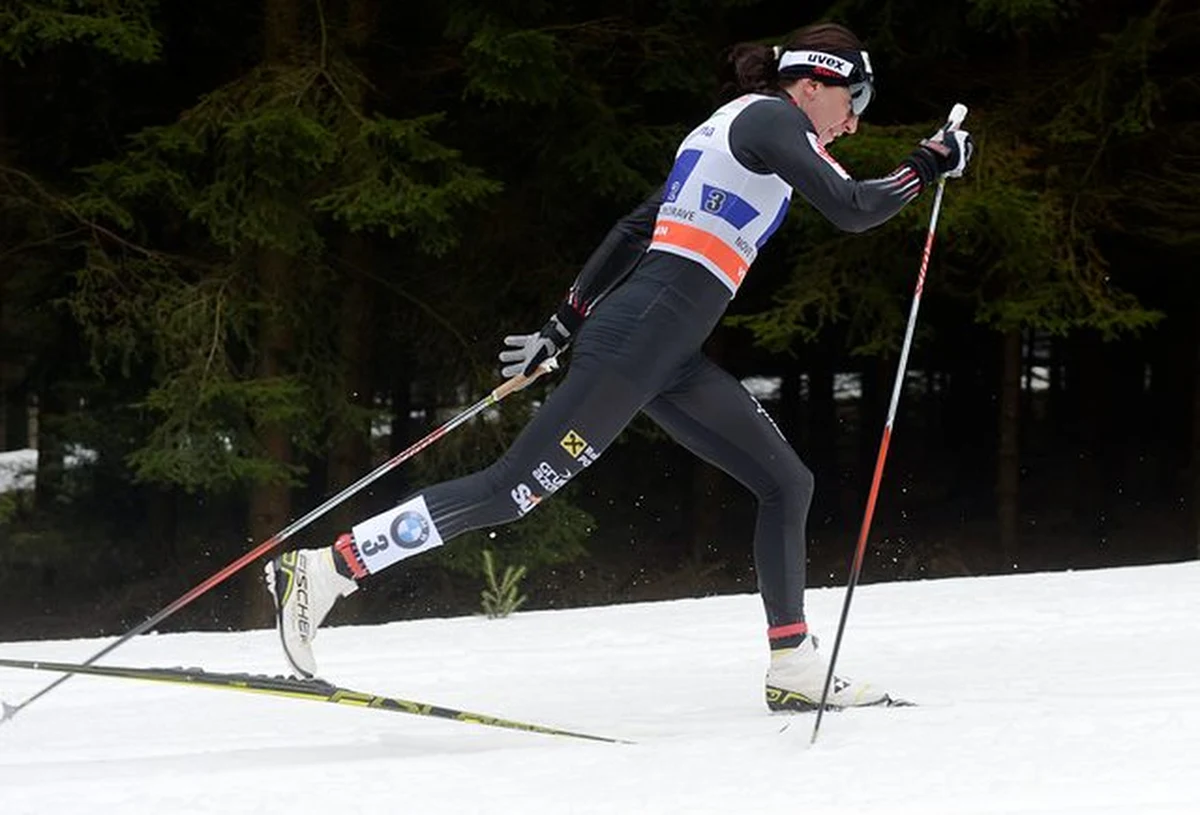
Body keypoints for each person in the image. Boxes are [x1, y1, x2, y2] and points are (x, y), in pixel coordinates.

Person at [264, 21, 973, 711]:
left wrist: (560, 326)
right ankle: (327, 570)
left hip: (665, 350)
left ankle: (793, 663)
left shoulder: (737, 127)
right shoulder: (768, 118)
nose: (852, 123)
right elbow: (852, 207)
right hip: (643, 336)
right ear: (817, 83)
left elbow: (636, 227)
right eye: (857, 103)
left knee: (787, 482)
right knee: (511, 491)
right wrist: (929, 161)